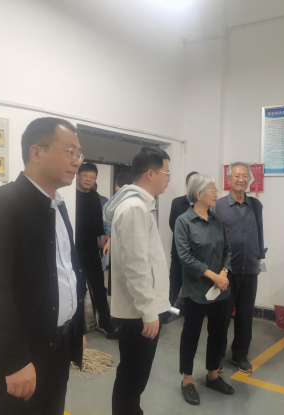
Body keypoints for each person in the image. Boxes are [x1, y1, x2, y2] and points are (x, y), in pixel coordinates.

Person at [0, 117, 87, 415]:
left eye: (79, 154)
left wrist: (77, 330)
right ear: (36, 152)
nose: (77, 161)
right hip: (22, 355)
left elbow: (68, 271)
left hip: (58, 346)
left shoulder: (58, 205)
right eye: (70, 151)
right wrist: (14, 360)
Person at [103, 147, 171, 415]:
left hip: (141, 309)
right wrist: (148, 311)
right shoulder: (134, 208)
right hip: (138, 313)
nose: (168, 179)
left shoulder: (140, 205)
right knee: (132, 377)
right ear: (151, 173)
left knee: (135, 376)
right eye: (166, 173)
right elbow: (136, 266)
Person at [175, 174, 234, 406]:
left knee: (218, 333)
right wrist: (213, 276)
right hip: (196, 290)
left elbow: (227, 249)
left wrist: (224, 273)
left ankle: (213, 376)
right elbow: (185, 257)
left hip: (220, 289)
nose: (217, 194)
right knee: (191, 335)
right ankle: (187, 380)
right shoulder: (184, 222)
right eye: (213, 190)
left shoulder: (216, 220)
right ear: (199, 194)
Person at [215, 161, 265, 373]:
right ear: (228, 179)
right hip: (225, 271)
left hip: (250, 268)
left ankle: (240, 355)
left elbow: (260, 232)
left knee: (245, 316)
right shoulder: (218, 206)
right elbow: (213, 237)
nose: (241, 179)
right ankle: (216, 357)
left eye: (245, 176)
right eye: (237, 176)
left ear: (250, 179)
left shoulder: (255, 205)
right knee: (221, 317)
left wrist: (259, 258)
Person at [76, 162, 119, 340]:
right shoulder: (71, 195)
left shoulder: (94, 196)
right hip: (74, 249)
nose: (88, 179)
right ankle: (77, 329)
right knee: (78, 289)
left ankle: (105, 324)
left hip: (91, 248)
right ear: (78, 176)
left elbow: (97, 219)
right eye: (85, 175)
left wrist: (102, 237)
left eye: (92, 177)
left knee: (98, 287)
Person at [168, 171, 199, 308]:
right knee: (174, 283)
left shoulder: (204, 203)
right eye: (191, 183)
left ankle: (191, 311)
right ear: (186, 185)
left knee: (195, 285)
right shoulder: (177, 202)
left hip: (198, 254)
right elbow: (172, 224)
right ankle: (165, 312)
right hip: (178, 253)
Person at [103, 172, 135, 296]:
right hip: (118, 247)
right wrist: (110, 240)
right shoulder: (118, 205)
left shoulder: (132, 206)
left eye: (118, 190)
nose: (117, 194)